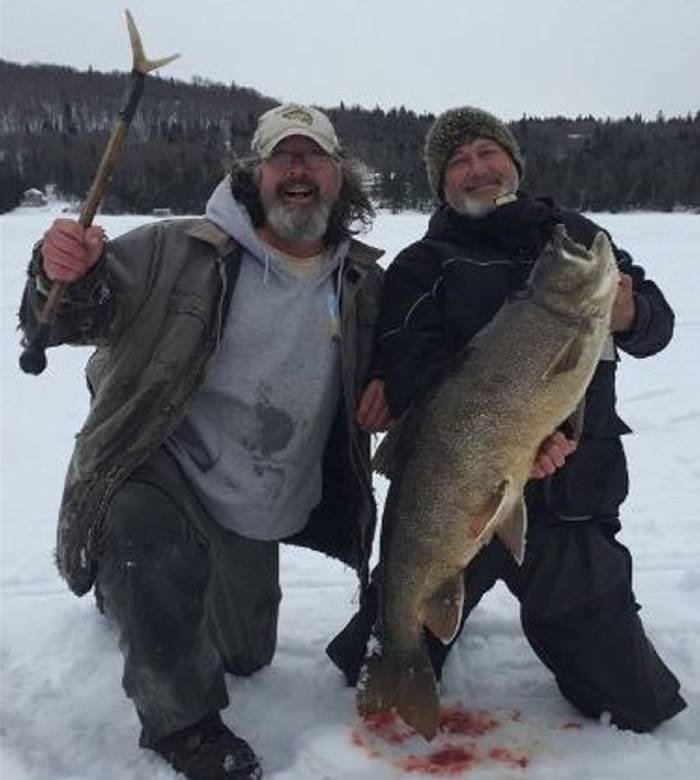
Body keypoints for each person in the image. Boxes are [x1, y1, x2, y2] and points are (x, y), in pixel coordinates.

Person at [19, 103, 384, 780]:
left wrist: (392, 389)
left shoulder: (361, 281)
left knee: (245, 655)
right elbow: (70, 314)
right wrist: (58, 271)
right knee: (144, 537)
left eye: (314, 158)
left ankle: (134, 596)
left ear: (340, 177)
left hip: (258, 496)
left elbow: (405, 362)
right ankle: (180, 727)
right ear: (256, 173)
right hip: (159, 459)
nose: (297, 170)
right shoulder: (179, 246)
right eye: (283, 157)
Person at [328, 105, 687, 733]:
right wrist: (510, 440)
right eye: (458, 162)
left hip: (570, 504)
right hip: (459, 489)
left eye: (487, 153)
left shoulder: (575, 242)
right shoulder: (423, 263)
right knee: (381, 645)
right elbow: (411, 366)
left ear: (513, 162)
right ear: (441, 184)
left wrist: (630, 315)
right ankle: (420, 639)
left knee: (636, 705)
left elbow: (656, 325)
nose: (476, 169)